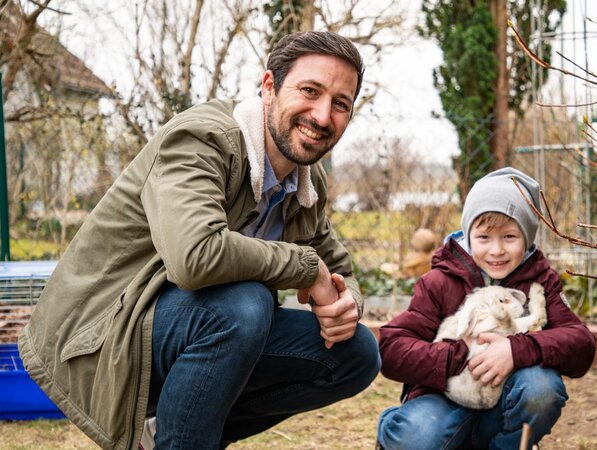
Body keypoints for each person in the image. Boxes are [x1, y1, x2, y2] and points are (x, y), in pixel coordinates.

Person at [19, 31, 380, 449]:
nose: (321, 115)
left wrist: (345, 304)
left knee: (356, 353)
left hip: (191, 335)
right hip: (101, 338)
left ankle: (172, 436)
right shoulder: (202, 139)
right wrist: (305, 267)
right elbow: (195, 257)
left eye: (340, 104)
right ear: (269, 87)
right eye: (310, 91)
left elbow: (337, 265)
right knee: (244, 304)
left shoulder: (303, 180)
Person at [376, 168, 596, 449]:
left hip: (503, 402)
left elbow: (581, 344)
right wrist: (461, 353)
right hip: (443, 400)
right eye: (484, 238)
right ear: (469, 235)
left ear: (527, 238)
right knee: (417, 437)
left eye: (509, 237)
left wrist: (515, 350)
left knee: (540, 390)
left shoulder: (540, 281)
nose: (496, 250)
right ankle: (396, 431)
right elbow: (392, 350)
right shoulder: (439, 281)